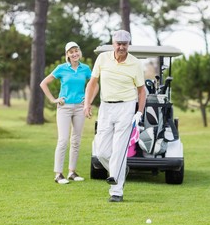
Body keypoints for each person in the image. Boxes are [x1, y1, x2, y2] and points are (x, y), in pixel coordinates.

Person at [84, 30, 146, 202]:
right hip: (106, 106)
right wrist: (87, 103)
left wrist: (139, 112)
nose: (121, 47)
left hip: (126, 107)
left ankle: (116, 192)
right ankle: (119, 170)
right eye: (118, 44)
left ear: (128, 45)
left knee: (119, 149)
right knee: (102, 151)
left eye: (124, 44)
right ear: (113, 44)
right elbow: (93, 83)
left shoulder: (135, 63)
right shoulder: (103, 58)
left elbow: (142, 91)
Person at [40, 41, 93, 184]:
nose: (74, 54)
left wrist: (88, 101)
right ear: (67, 55)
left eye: (76, 51)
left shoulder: (86, 69)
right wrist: (53, 100)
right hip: (64, 107)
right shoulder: (61, 68)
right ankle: (58, 174)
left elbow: (95, 84)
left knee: (76, 140)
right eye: (71, 52)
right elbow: (43, 83)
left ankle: (72, 172)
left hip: (79, 108)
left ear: (79, 52)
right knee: (63, 140)